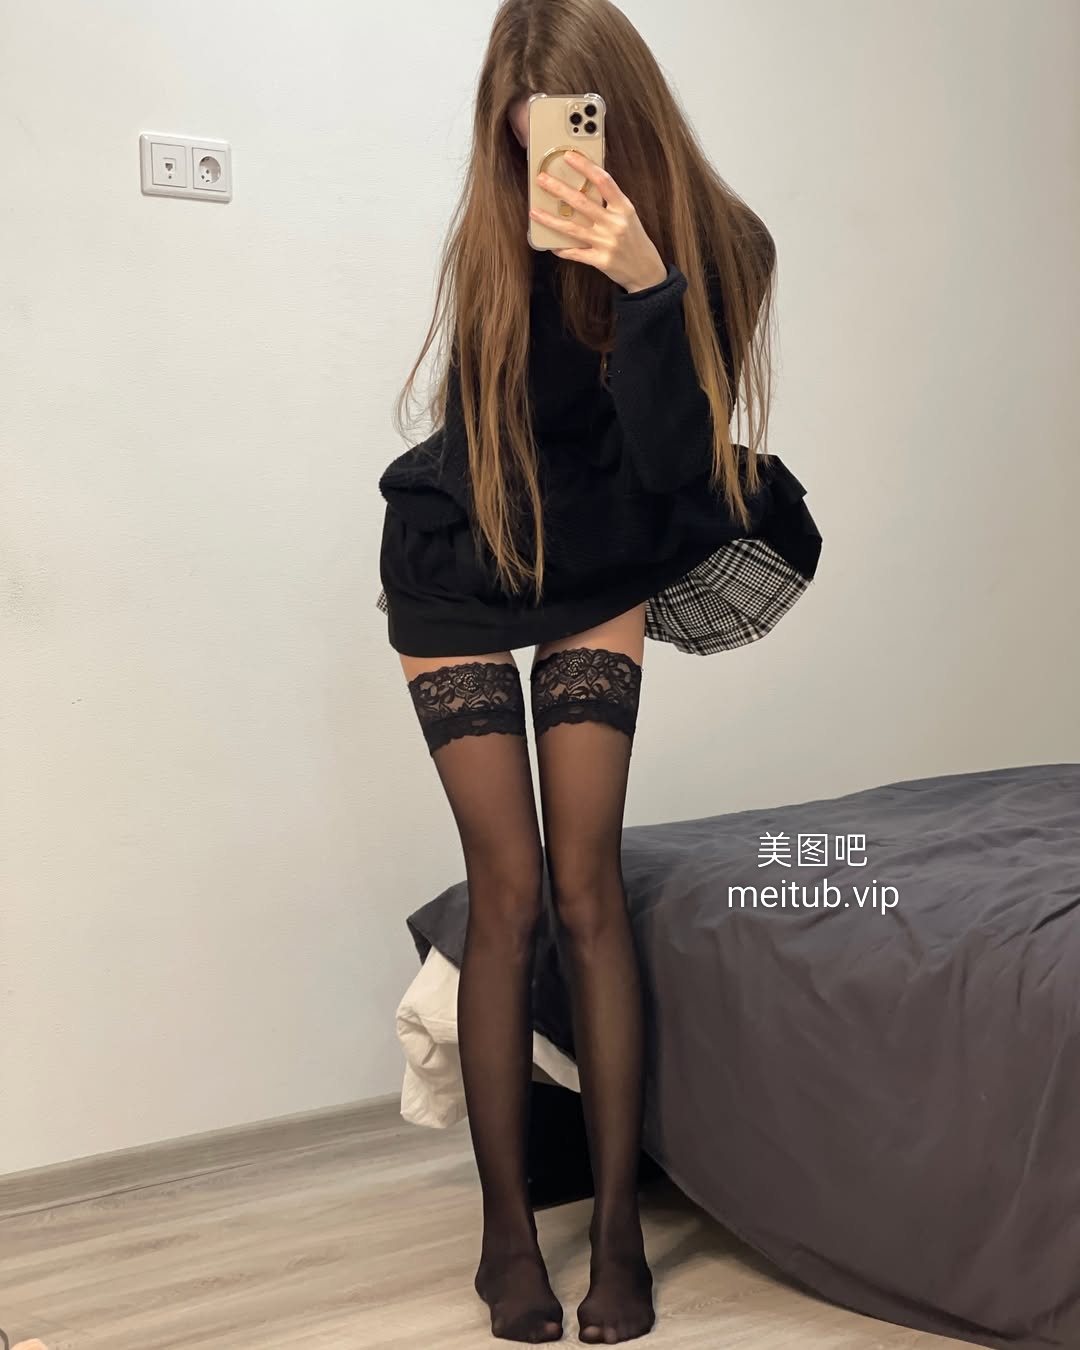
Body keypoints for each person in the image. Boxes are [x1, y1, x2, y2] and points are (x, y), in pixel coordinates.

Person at [375, 0, 822, 1341]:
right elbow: (497, 431)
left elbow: (675, 465)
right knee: (504, 895)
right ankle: (507, 1233)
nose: (552, 168)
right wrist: (537, 251)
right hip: (463, 548)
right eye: (525, 146)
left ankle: (619, 1230)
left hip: (602, 551)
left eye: (571, 136)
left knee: (586, 887)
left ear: (624, 117)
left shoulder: (724, 247)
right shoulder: (495, 234)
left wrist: (645, 283)